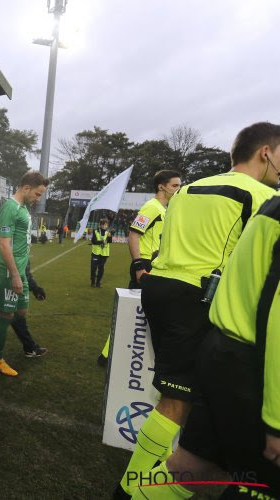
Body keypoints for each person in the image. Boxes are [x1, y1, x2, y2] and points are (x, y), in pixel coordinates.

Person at [116, 122, 280, 496]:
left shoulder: (187, 189)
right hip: (196, 296)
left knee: (179, 393)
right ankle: (133, 486)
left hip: (159, 288)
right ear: (265, 153)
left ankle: (147, 480)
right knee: (179, 399)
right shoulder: (261, 196)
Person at [98, 170, 182, 367]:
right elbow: (134, 234)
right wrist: (138, 266)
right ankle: (107, 355)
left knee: (138, 311)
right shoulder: (151, 207)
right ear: (161, 186)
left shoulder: (163, 209)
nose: (179, 189)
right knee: (135, 311)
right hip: (144, 265)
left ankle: (109, 355)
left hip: (154, 265)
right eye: (175, 186)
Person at [0, 171, 49, 377]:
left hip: (20, 270)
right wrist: (14, 274)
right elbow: (4, 245)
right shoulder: (10, 208)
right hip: (8, 271)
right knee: (6, 315)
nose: (38, 199)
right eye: (38, 194)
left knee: (20, 312)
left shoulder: (22, 207)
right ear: (26, 188)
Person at [90, 218, 113, 288]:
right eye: (103, 224)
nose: (104, 226)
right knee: (93, 268)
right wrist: (101, 242)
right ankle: (93, 281)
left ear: (107, 225)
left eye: (105, 224)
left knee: (101, 268)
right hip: (96, 253)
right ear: (100, 225)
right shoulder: (96, 231)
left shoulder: (108, 232)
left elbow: (110, 242)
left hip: (104, 254)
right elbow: (93, 241)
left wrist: (110, 237)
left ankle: (98, 283)